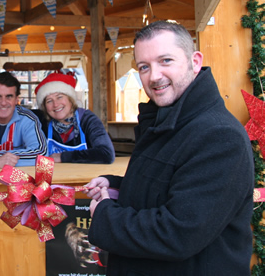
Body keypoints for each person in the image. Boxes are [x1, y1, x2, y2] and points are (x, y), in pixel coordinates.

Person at [84, 20, 254, 275]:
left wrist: (105, 215)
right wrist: (116, 187)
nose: (154, 76)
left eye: (166, 61)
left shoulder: (220, 136)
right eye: (144, 67)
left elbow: (178, 233)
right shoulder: (165, 120)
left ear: (194, 61)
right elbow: (171, 184)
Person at [0, 71, 115, 164]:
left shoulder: (87, 119)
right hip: (49, 183)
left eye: (60, 97)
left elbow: (106, 154)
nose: (56, 104)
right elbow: (6, 106)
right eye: (49, 101)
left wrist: (62, 157)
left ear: (70, 98)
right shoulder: (41, 118)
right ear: (45, 106)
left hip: (84, 182)